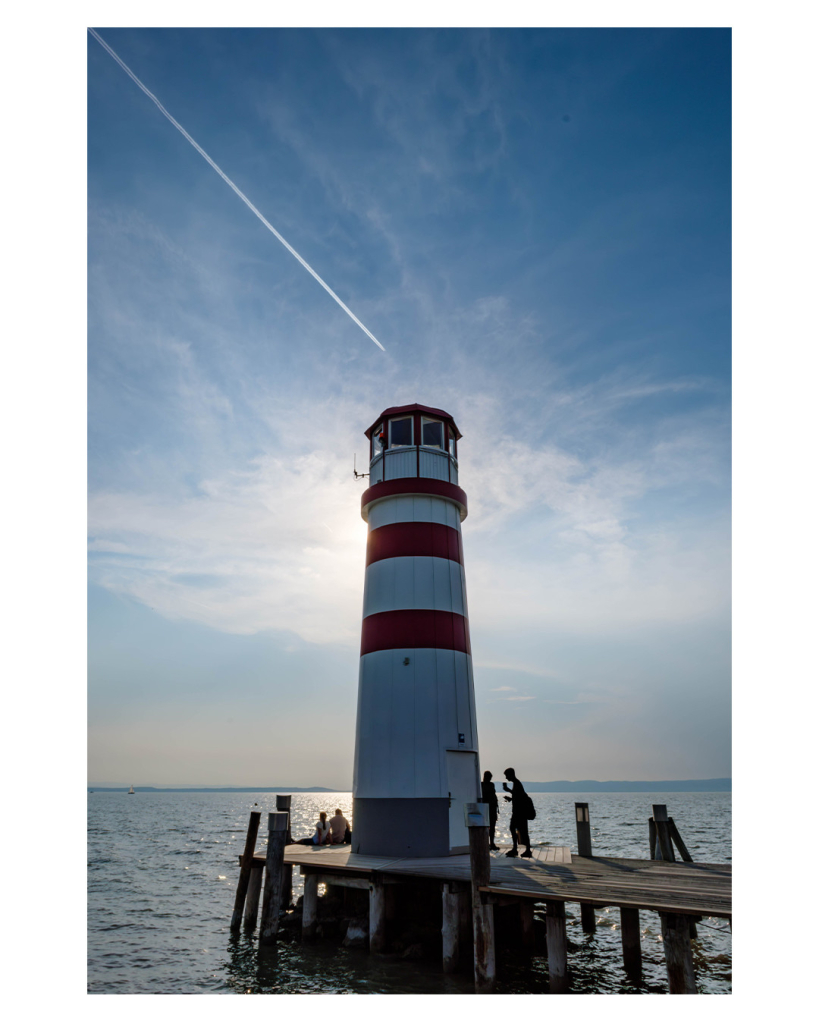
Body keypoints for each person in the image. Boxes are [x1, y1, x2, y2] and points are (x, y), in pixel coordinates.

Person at [502, 767, 533, 858]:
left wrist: (509, 791)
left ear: (511, 775)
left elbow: (519, 796)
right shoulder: (516, 784)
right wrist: (511, 798)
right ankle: (518, 849)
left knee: (522, 831)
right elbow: (518, 796)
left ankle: (524, 850)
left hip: (520, 813)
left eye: (507, 776)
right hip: (518, 812)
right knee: (518, 830)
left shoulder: (517, 783)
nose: (506, 778)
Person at [481, 770, 500, 851]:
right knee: (485, 826)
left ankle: (491, 843)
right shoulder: (481, 785)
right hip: (486, 808)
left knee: (492, 827)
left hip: (492, 807)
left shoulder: (491, 784)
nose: (489, 779)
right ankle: (486, 843)